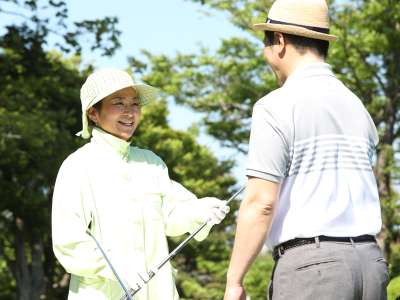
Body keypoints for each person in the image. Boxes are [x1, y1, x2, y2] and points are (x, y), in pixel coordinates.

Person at [224, 0, 388, 299]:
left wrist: (234, 280)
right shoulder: (357, 106)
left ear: (280, 42)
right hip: (371, 263)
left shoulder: (275, 106)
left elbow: (261, 203)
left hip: (313, 271)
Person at [52, 68, 230, 300]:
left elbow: (172, 216)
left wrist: (200, 211)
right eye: (118, 103)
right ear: (93, 113)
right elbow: (68, 240)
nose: (130, 112)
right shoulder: (78, 165)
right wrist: (114, 268)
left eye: (135, 104)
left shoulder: (151, 162)